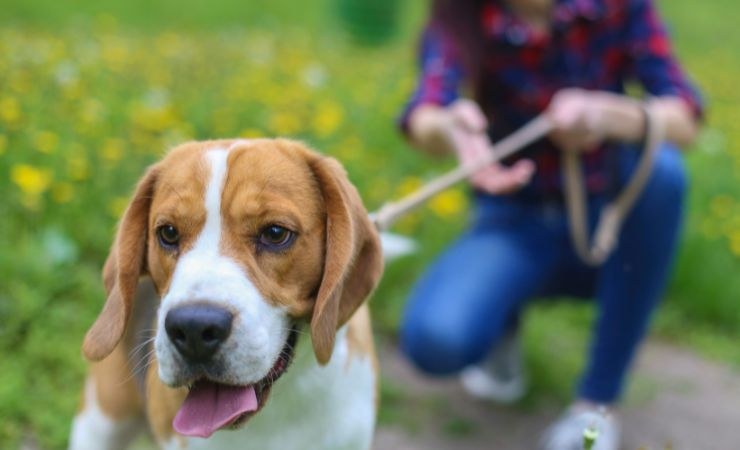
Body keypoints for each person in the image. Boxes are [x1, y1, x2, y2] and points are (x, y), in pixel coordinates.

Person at [397, 0, 703, 449]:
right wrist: (451, 127)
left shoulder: (617, 7)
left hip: (611, 225)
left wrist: (610, 115)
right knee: (435, 340)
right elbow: (424, 113)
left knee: (665, 173)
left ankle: (597, 405)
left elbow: (685, 115)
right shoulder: (462, 14)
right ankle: (502, 325)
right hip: (513, 222)